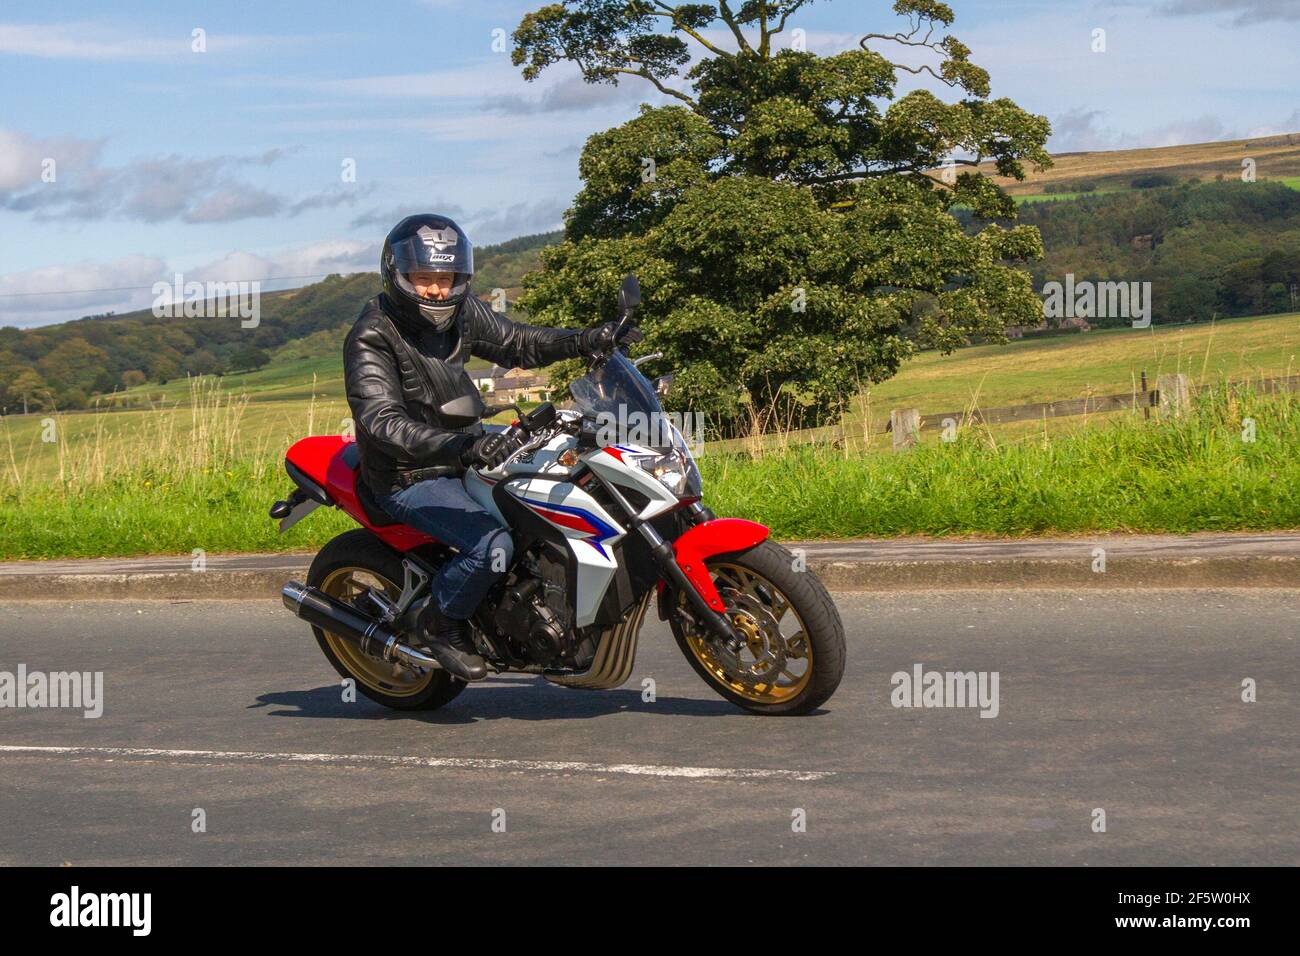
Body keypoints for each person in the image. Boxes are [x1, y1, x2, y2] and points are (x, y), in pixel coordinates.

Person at [343, 213, 640, 682]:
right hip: (409, 475)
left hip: (466, 448)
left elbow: (517, 342)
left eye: (446, 279)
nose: (437, 291)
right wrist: (462, 447)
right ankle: (441, 624)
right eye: (424, 279)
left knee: (556, 497)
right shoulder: (372, 336)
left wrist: (587, 340)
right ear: (396, 274)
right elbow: (383, 423)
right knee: (491, 545)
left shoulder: (459, 313)